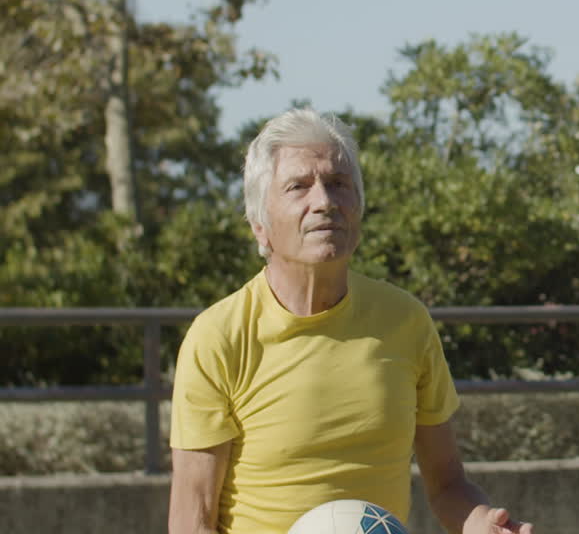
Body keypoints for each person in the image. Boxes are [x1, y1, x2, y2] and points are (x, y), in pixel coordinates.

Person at [168, 108, 533, 534]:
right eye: (298, 187)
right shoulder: (219, 337)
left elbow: (448, 484)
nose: (324, 202)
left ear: (358, 207)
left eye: (338, 184)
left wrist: (480, 523)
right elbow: (193, 516)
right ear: (259, 226)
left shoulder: (405, 320)